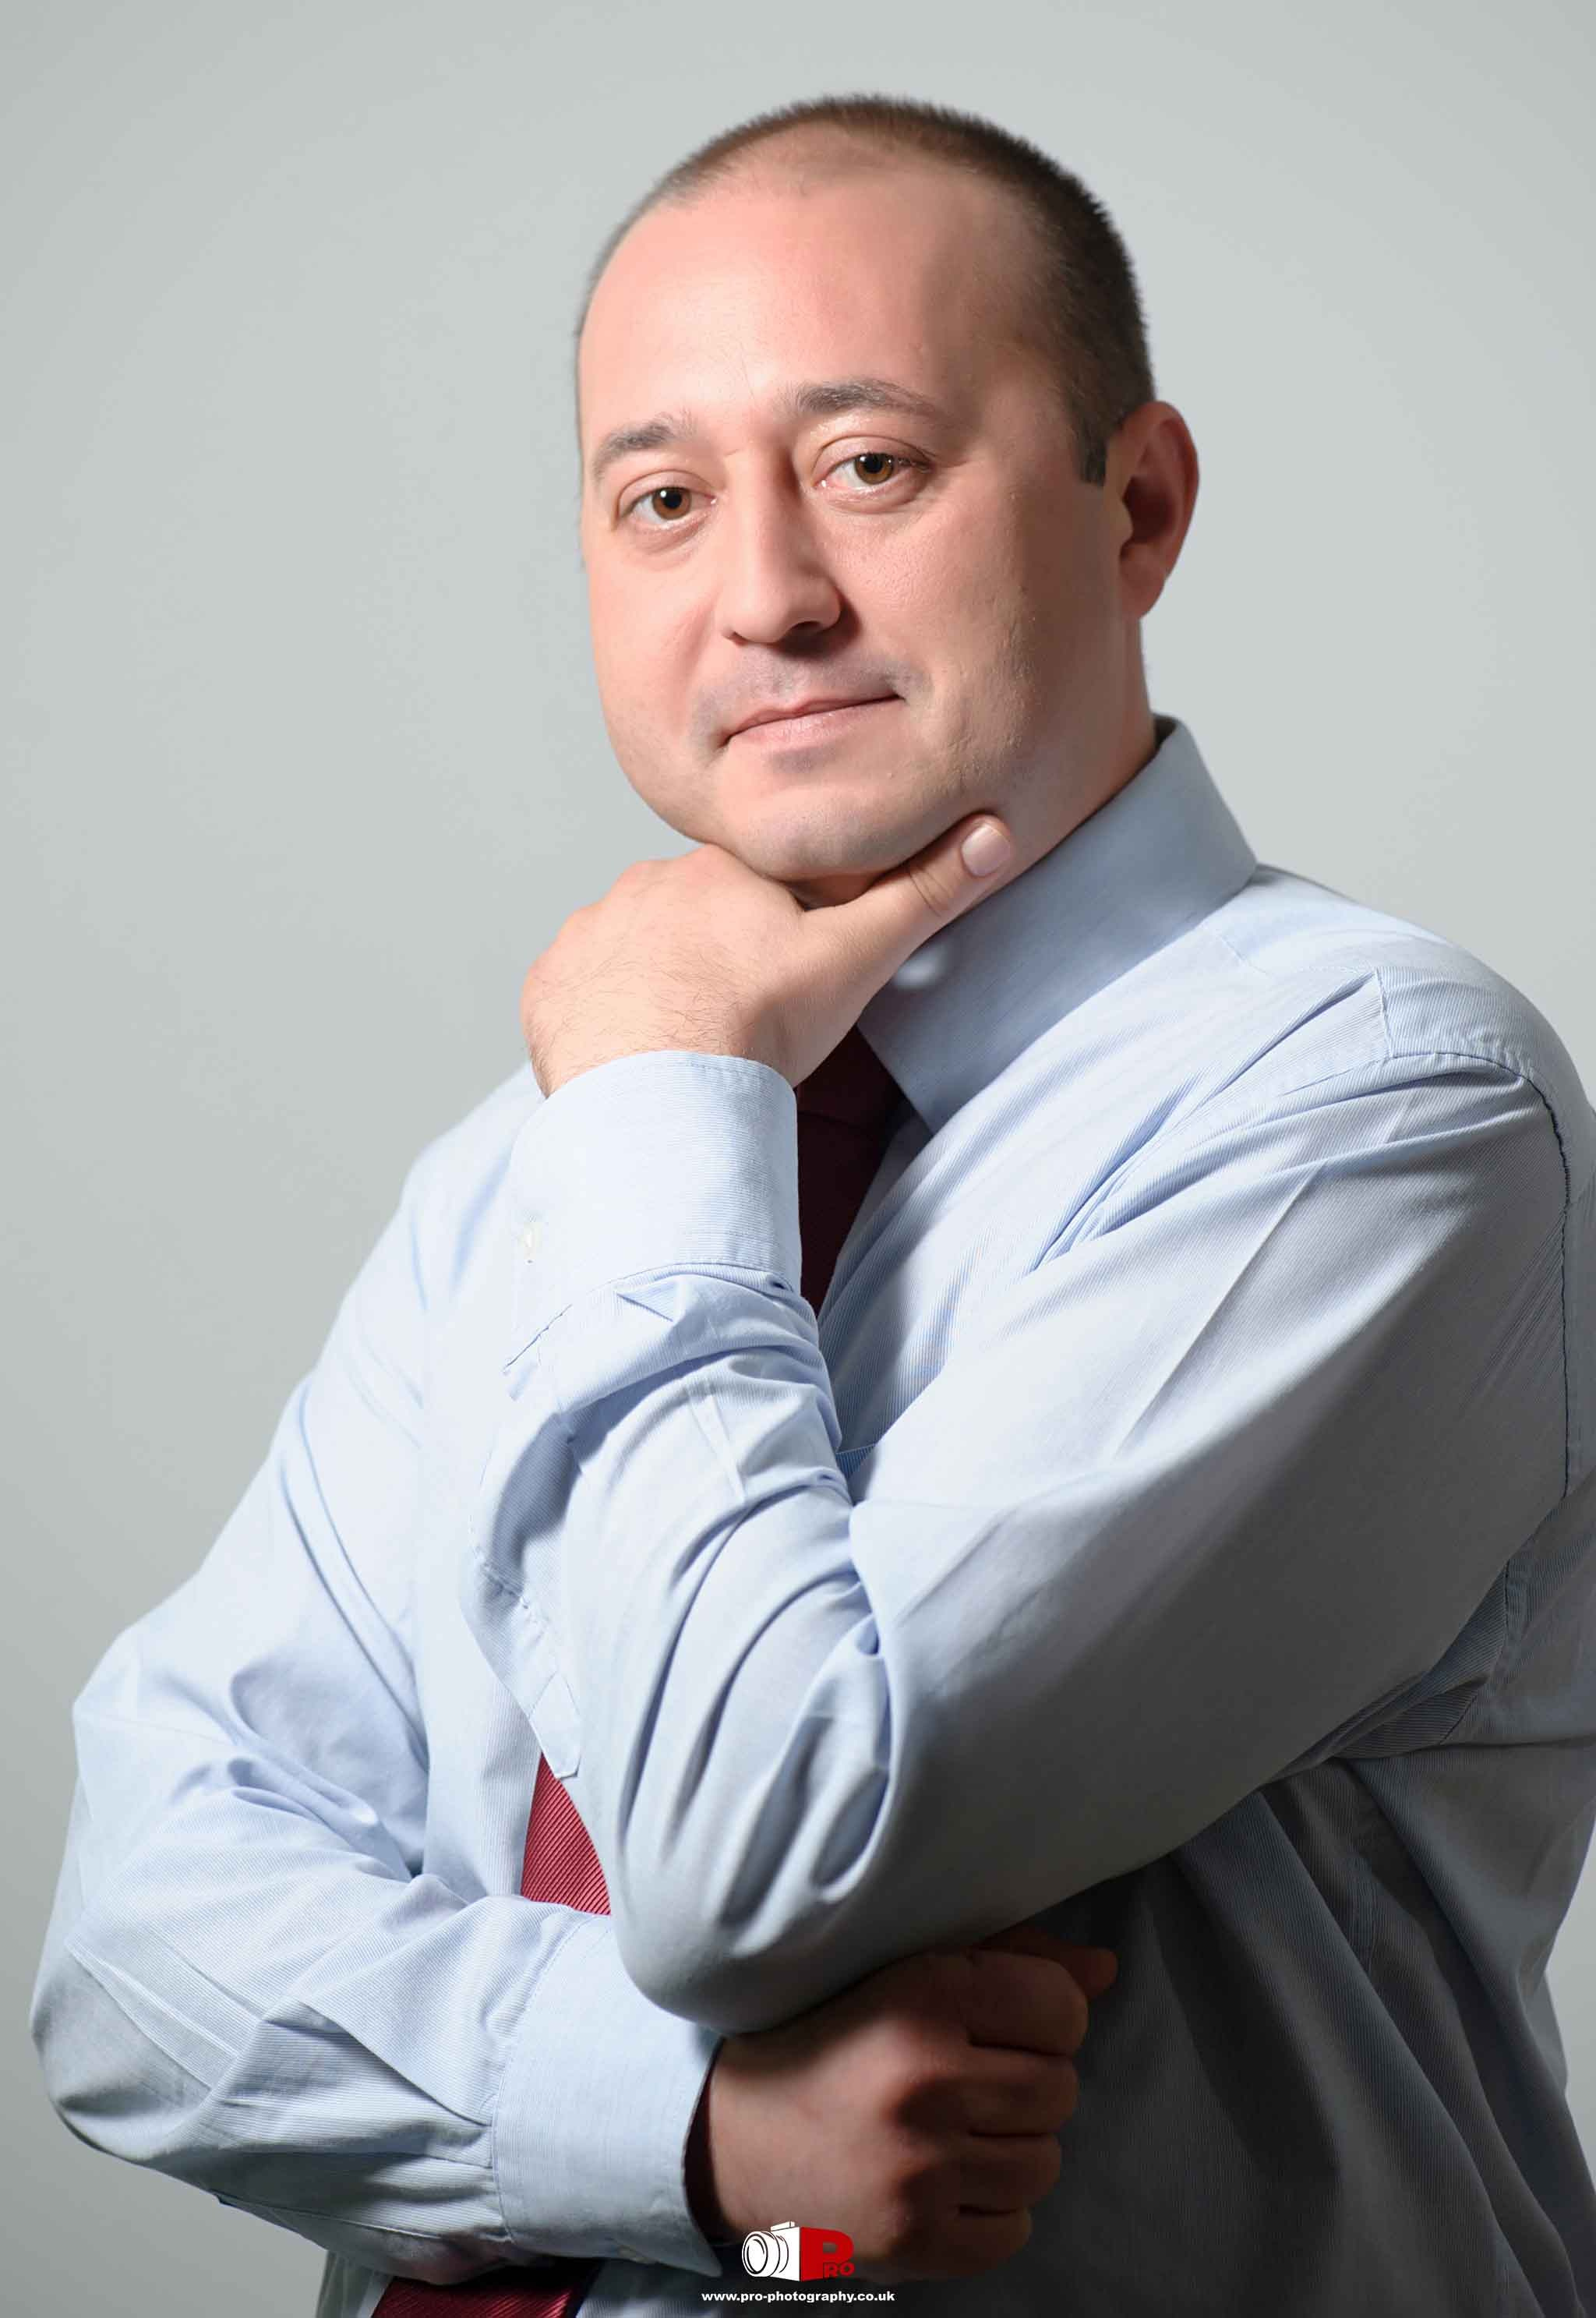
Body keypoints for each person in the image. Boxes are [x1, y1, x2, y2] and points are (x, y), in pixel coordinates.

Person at [30, 87, 1596, 2318]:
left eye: (872, 466)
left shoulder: (1377, 1104)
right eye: (661, 501)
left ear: (1135, 506)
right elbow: (131, 1958)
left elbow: (764, 1856)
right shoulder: (547, 1166)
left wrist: (665, 1092)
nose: (764, 594)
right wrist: (688, 2143)